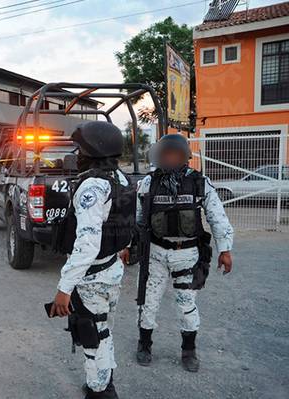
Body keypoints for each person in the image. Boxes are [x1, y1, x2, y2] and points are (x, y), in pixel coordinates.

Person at [126, 133, 234, 373]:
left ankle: (189, 350)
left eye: (175, 154)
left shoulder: (199, 183)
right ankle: (144, 344)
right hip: (154, 254)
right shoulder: (148, 183)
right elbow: (137, 218)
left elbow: (217, 218)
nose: (170, 158)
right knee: (148, 302)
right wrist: (128, 245)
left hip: (187, 255)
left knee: (187, 305)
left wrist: (225, 249)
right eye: (167, 154)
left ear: (185, 157)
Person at [50, 121, 135, 399]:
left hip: (92, 277)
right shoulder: (120, 178)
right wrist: (124, 246)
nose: (77, 155)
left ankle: (100, 391)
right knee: (102, 328)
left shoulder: (92, 187)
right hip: (111, 269)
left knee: (90, 335)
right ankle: (104, 381)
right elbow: (127, 220)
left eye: (81, 150)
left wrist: (64, 288)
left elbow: (87, 244)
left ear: (92, 152)